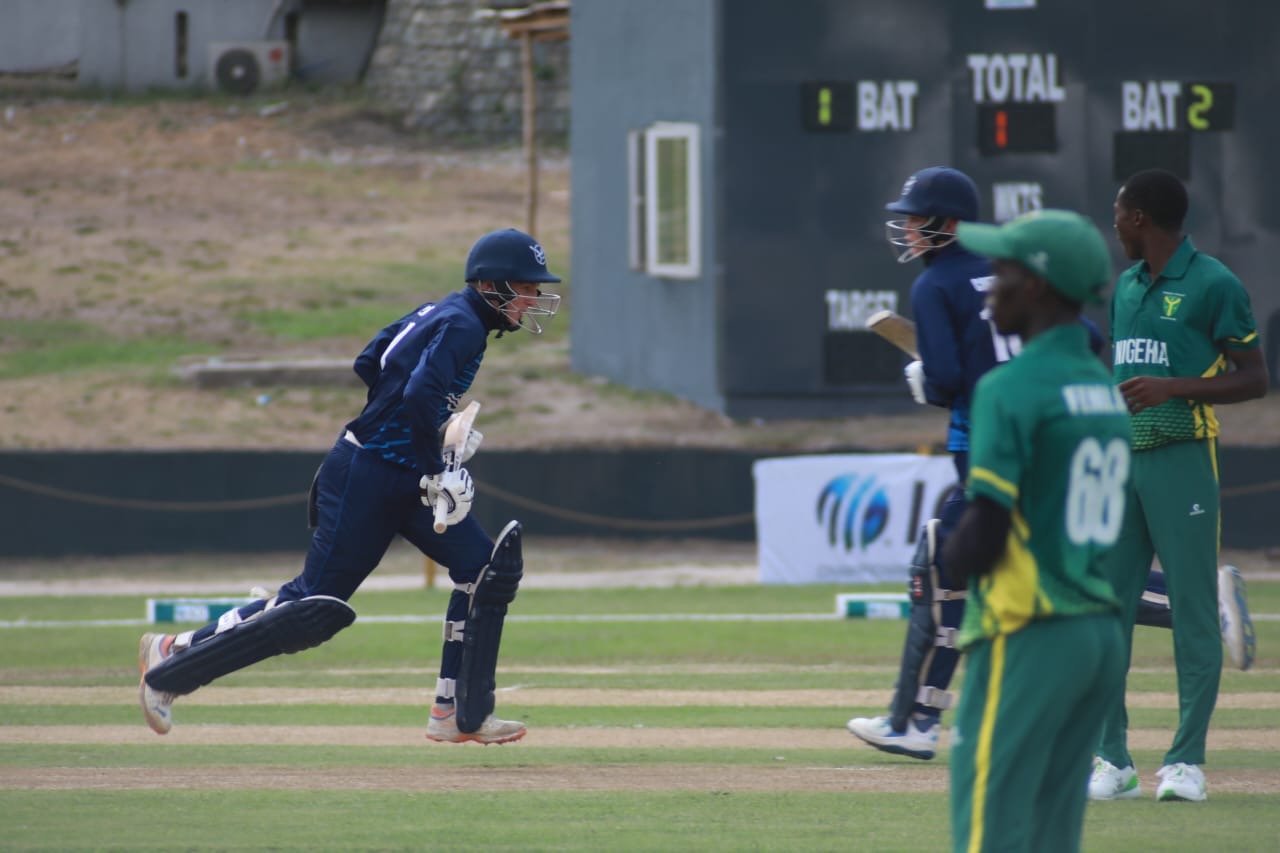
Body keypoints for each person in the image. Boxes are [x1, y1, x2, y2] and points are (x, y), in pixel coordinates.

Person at [136, 227, 563, 745]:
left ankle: (456, 712)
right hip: (368, 475)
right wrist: (437, 466)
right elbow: (420, 393)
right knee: (312, 606)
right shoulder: (464, 327)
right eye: (525, 287)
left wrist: (428, 439)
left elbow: (371, 360)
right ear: (492, 285)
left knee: (485, 569)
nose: (533, 298)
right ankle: (171, 663)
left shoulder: (444, 311)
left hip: (396, 470)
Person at [847, 167, 1180, 762]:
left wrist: (930, 381)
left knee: (989, 563)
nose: (907, 230)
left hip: (989, 443)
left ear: (948, 224)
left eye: (916, 220)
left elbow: (949, 380)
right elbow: (1087, 338)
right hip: (1052, 435)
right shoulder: (1014, 272)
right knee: (991, 559)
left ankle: (1192, 596)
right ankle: (915, 718)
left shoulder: (935, 285)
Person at [944, 209, 1129, 852]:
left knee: (988, 829)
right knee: (1053, 835)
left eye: (1002, 270)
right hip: (1100, 636)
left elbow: (986, 534)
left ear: (1038, 288)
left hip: (1030, 629)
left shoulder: (1008, 388)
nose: (988, 283)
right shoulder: (1104, 389)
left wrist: (949, 551)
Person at [1088, 170, 1267, 803]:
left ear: (1139, 218)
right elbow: (1126, 376)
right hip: (1125, 461)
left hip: (1185, 457)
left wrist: (1174, 388)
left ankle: (1186, 762)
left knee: (1193, 610)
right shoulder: (1127, 287)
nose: (1112, 226)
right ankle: (1112, 760)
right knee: (1107, 611)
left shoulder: (1214, 282)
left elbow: (1254, 379)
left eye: (1117, 215)